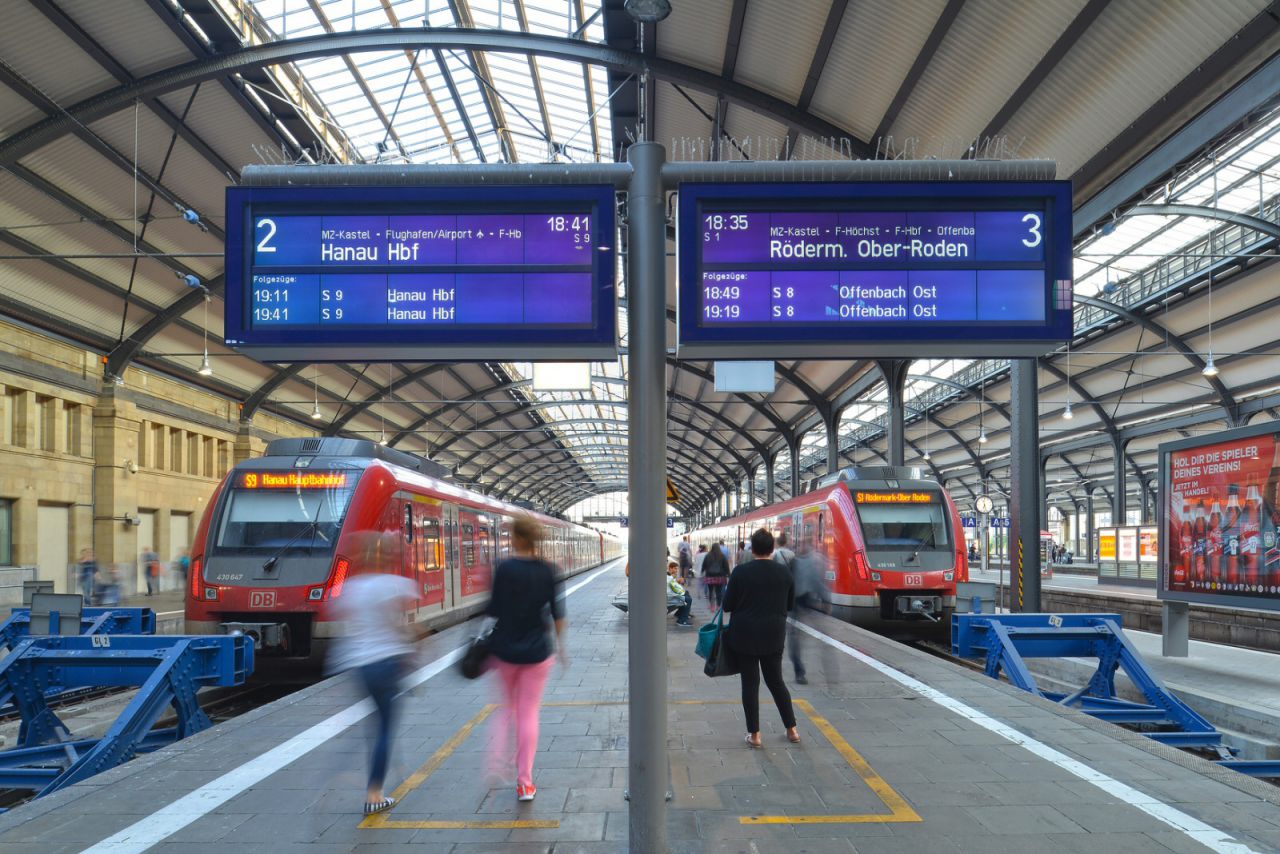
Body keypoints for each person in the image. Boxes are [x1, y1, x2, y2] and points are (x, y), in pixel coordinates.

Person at [327, 535, 427, 816]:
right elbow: (408, 628)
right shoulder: (394, 585)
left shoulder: (349, 588)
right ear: (390, 558)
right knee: (385, 726)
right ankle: (375, 794)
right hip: (386, 664)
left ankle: (392, 767)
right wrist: (417, 649)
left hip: (359, 667)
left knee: (376, 724)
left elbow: (339, 617)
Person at [485, 516, 567, 802]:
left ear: (518, 538)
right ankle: (525, 782)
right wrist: (562, 647)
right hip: (537, 653)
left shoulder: (504, 568)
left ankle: (496, 764)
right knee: (528, 713)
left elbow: (493, 609)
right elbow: (558, 614)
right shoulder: (549, 571)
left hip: (505, 650)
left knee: (505, 709)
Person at [723, 528, 799, 747]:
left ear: (752, 548)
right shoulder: (784, 573)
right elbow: (790, 605)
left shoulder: (740, 572)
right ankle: (792, 729)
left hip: (744, 635)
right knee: (776, 681)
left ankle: (755, 735)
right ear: (772, 548)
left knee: (750, 683)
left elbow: (727, 605)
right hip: (774, 634)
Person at [788, 544, 831, 685]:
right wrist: (825, 600)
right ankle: (802, 672)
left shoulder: (793, 562)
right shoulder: (810, 564)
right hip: (806, 602)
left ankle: (799, 672)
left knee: (794, 640)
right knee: (799, 639)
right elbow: (817, 583)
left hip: (794, 604)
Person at [702, 542, 730, 608]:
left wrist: (702, 571)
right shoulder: (722, 556)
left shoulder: (708, 555)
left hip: (709, 576)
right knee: (718, 592)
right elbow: (726, 566)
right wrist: (728, 574)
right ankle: (718, 605)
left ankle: (711, 605)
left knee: (711, 591)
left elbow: (704, 565)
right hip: (720, 577)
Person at [667, 560, 693, 626]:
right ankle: (682, 621)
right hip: (670, 597)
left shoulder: (670, 576)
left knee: (686, 593)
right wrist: (677, 580)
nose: (676, 570)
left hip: (672, 595)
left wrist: (677, 581)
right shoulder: (669, 577)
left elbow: (673, 585)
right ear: (670, 568)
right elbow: (671, 587)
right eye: (675, 568)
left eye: (677, 569)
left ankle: (681, 613)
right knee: (688, 600)